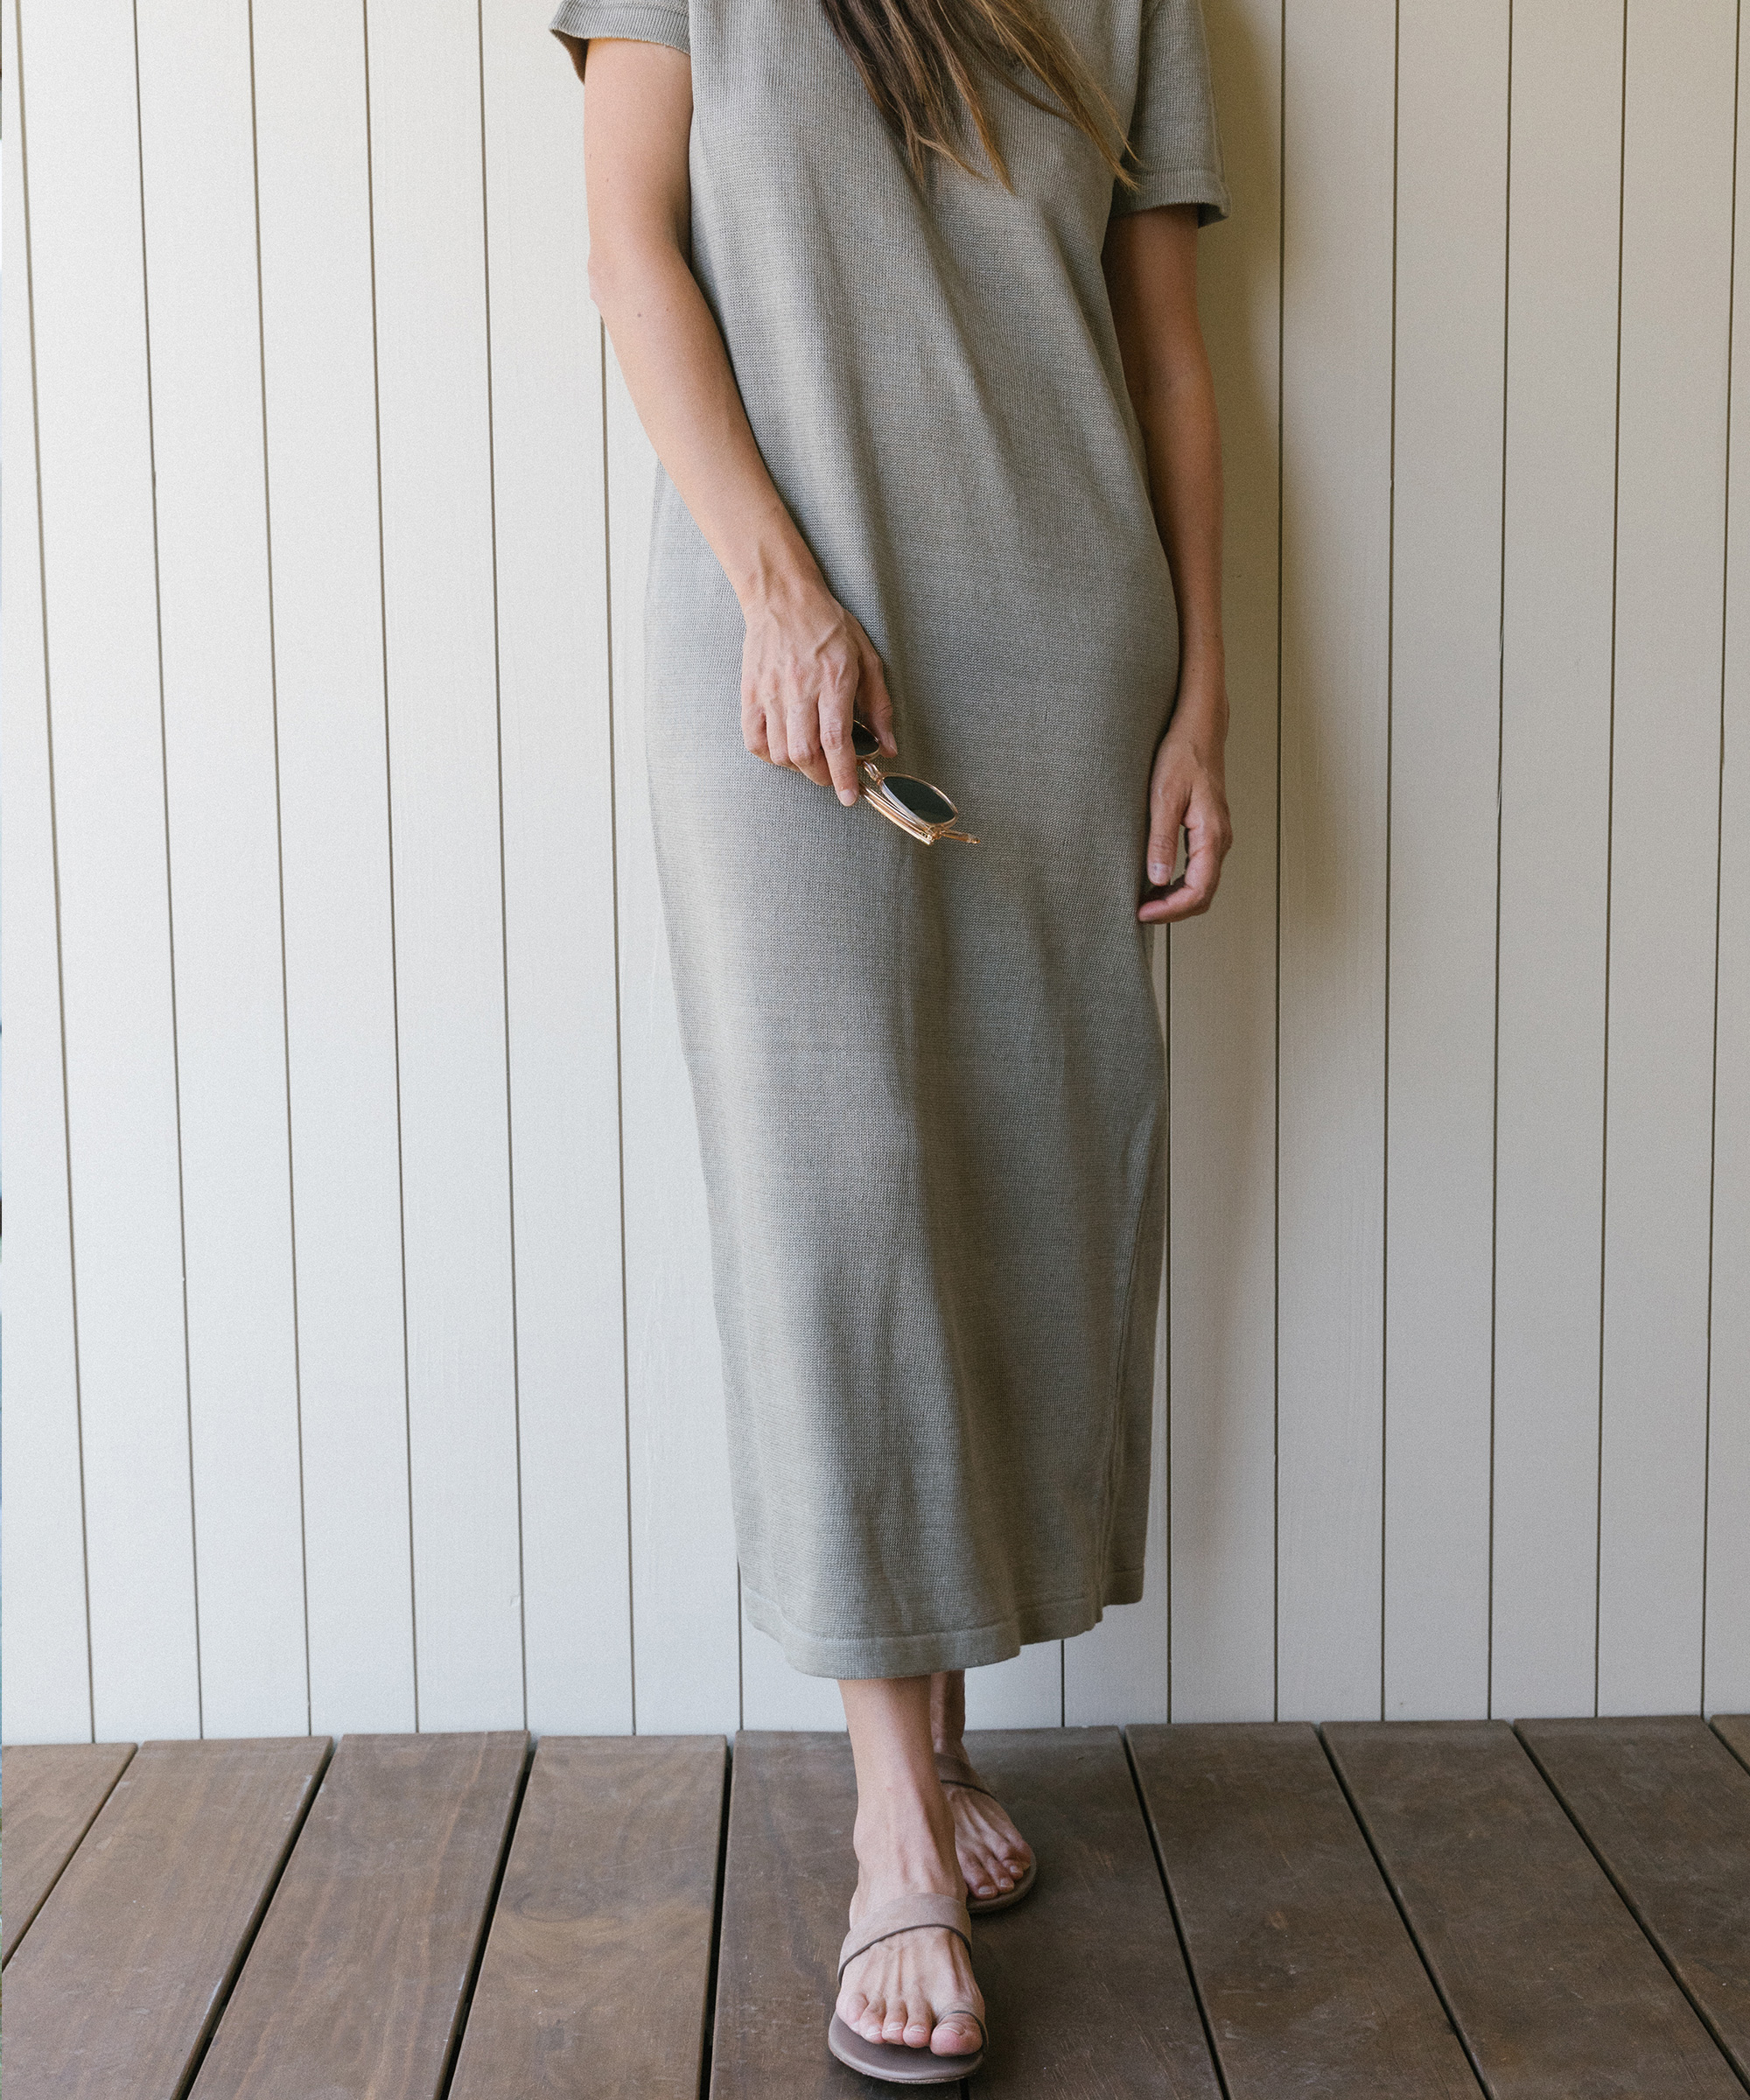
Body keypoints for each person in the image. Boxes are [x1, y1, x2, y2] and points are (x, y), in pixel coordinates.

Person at [556, 0, 1231, 2076]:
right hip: (775, 656)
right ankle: (890, 1830)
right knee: (835, 1198)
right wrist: (780, 590)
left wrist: (1206, 700)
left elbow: (1168, 356)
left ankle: (934, 1755)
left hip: (1064, 644)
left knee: (1012, 1187)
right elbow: (631, 247)